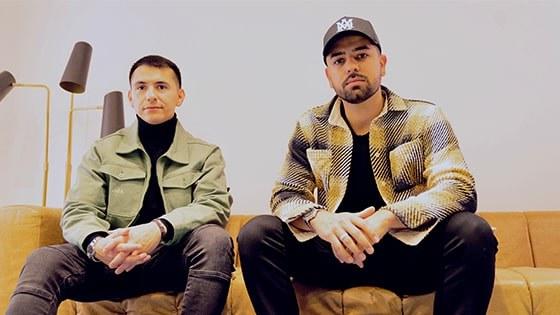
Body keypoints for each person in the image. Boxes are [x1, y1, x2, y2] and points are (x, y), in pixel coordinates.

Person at [238, 16, 498, 315]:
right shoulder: (310, 125)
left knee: (473, 231)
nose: (351, 67)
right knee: (256, 234)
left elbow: (459, 189)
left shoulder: (424, 117)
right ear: (329, 75)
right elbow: (285, 195)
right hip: (335, 254)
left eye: (361, 55)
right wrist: (323, 221)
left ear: (382, 63)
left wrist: (387, 217)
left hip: (409, 252)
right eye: (340, 60)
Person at [7, 55, 234, 315]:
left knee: (215, 240)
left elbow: (213, 205)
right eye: (141, 87)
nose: (150, 95)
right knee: (43, 259)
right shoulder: (102, 151)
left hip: (171, 262)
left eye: (161, 87)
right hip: (109, 261)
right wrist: (97, 243)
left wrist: (159, 229)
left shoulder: (206, 154)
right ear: (130, 97)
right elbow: (78, 211)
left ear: (179, 96)